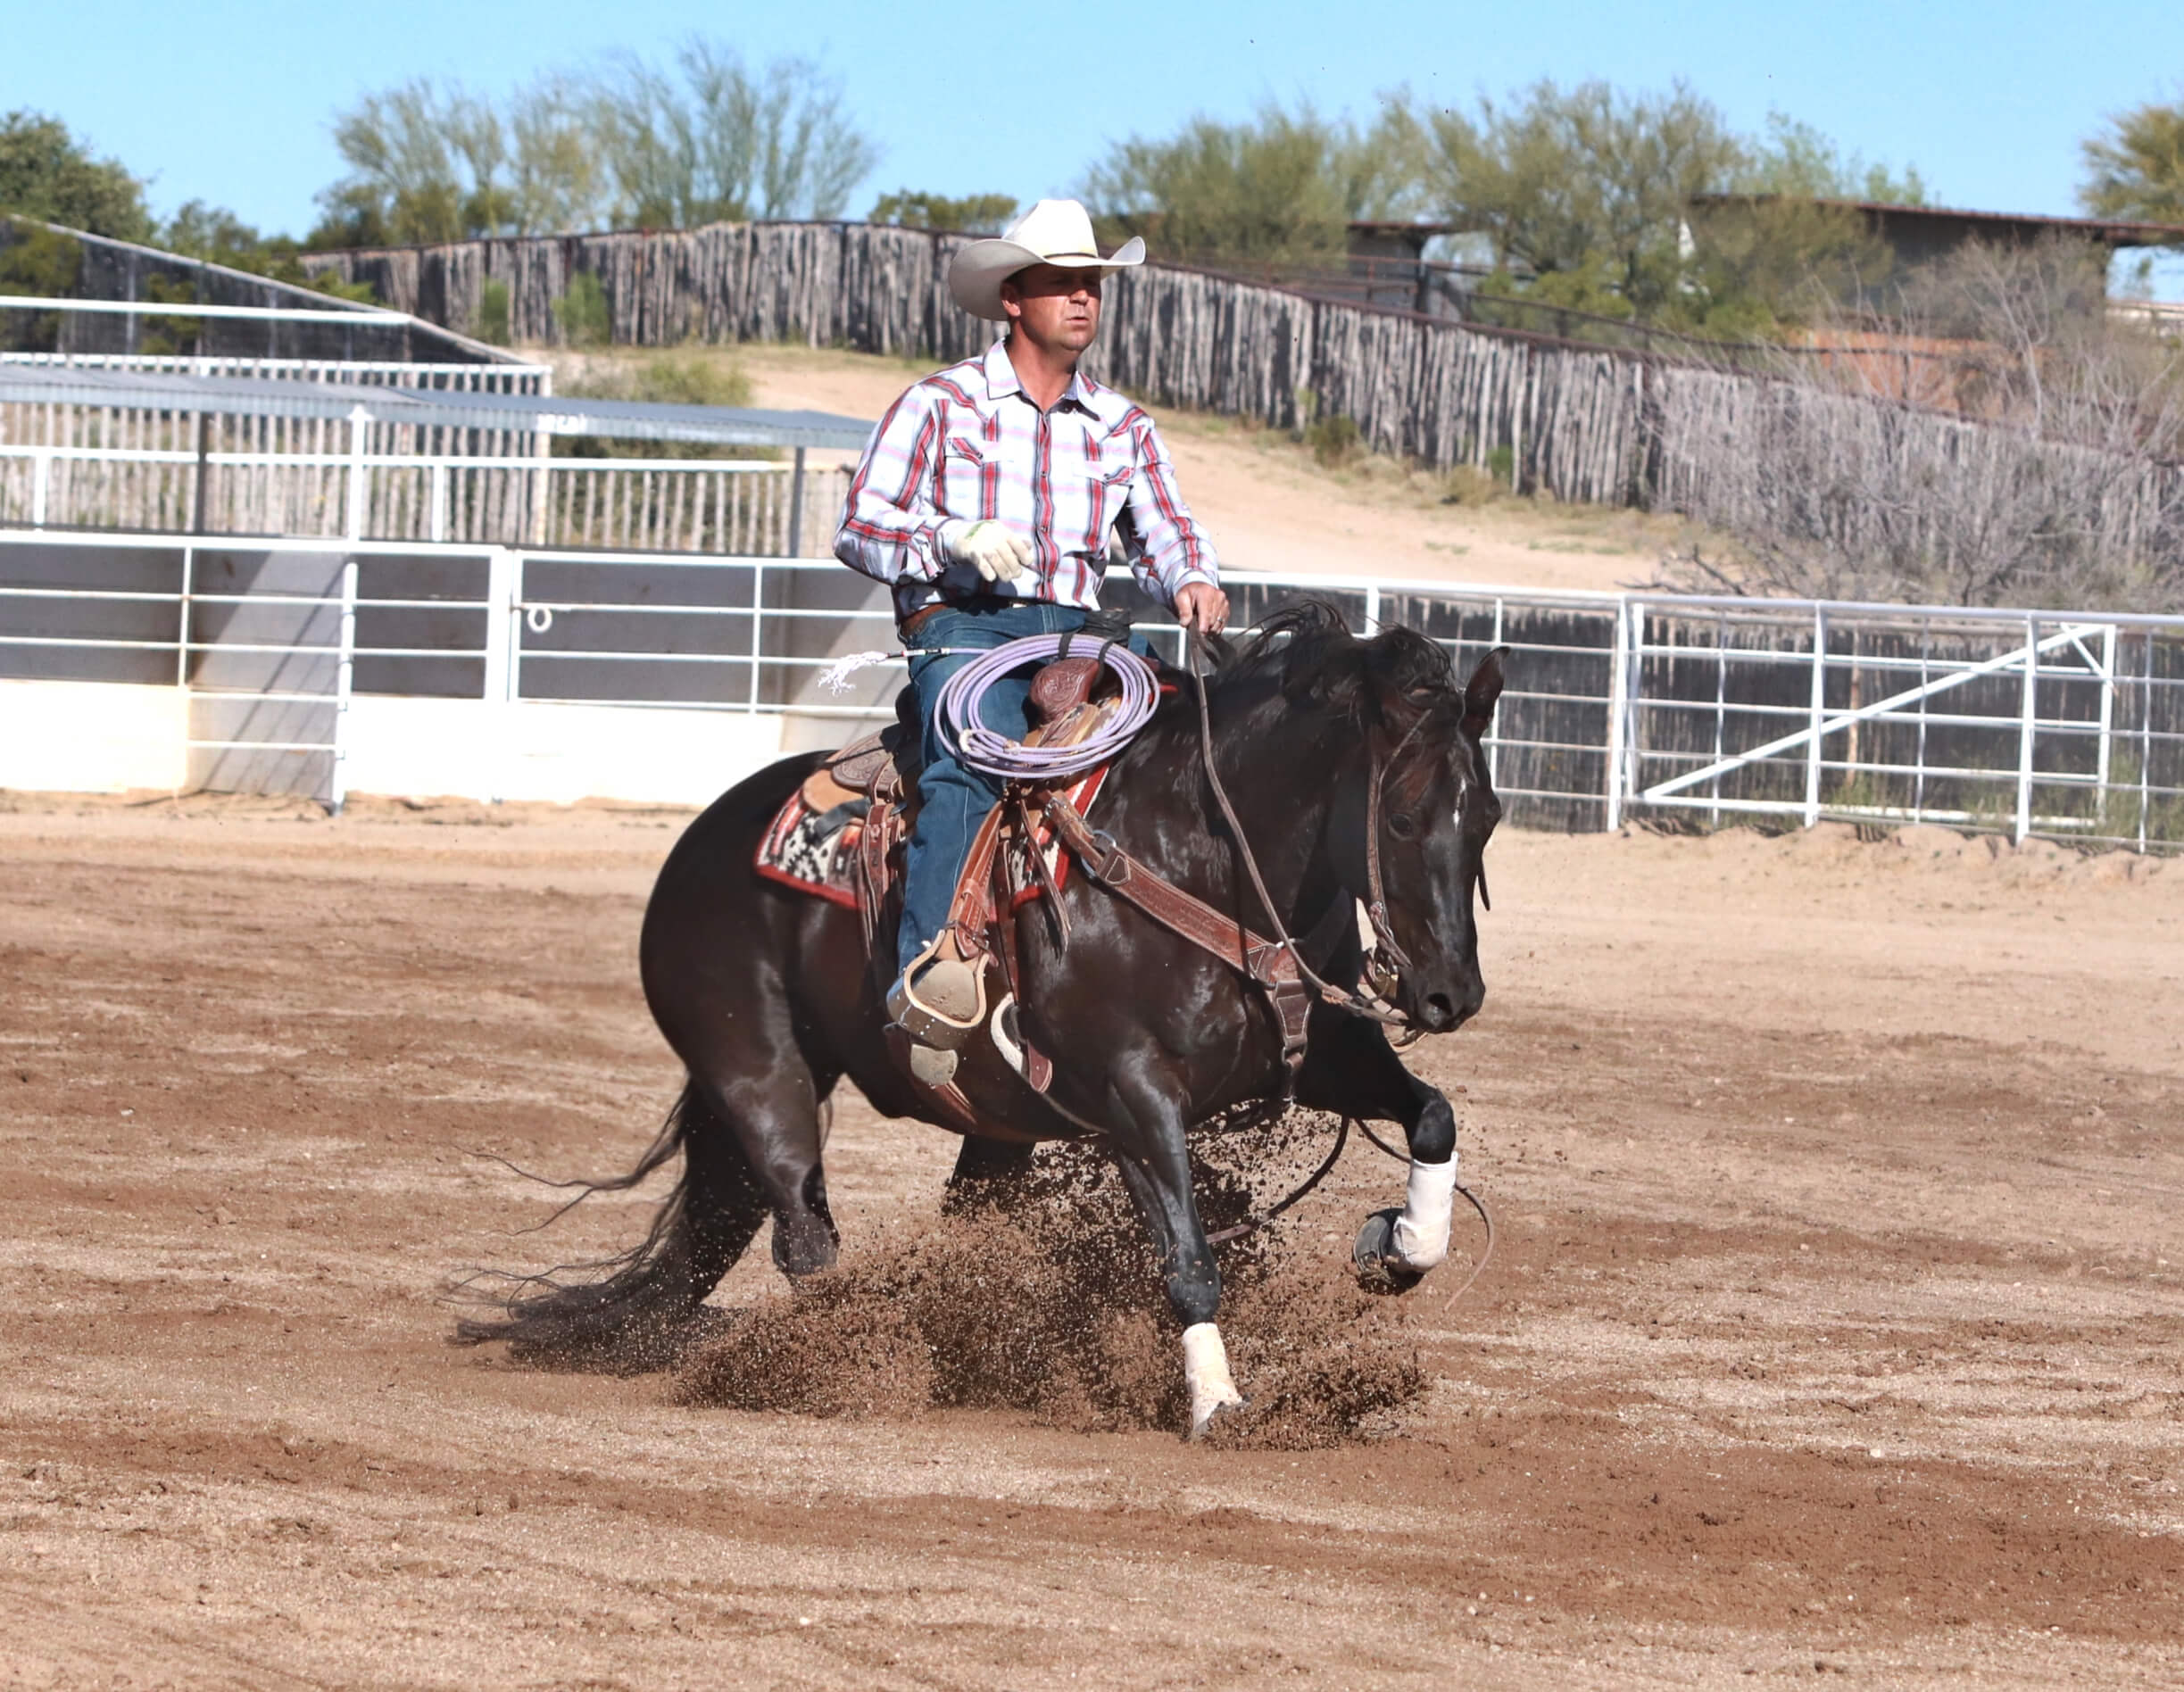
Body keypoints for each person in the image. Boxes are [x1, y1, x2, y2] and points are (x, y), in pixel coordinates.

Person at [834, 198, 1229, 1085]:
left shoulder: (1123, 427)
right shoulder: (940, 406)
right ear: (1013, 297)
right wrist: (946, 540)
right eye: (1062, 284)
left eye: (1091, 283)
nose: (1083, 299)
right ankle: (927, 977)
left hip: (1079, 639)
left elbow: (1164, 530)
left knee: (1178, 751)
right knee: (970, 758)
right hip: (963, 626)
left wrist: (1192, 580)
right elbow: (858, 525)